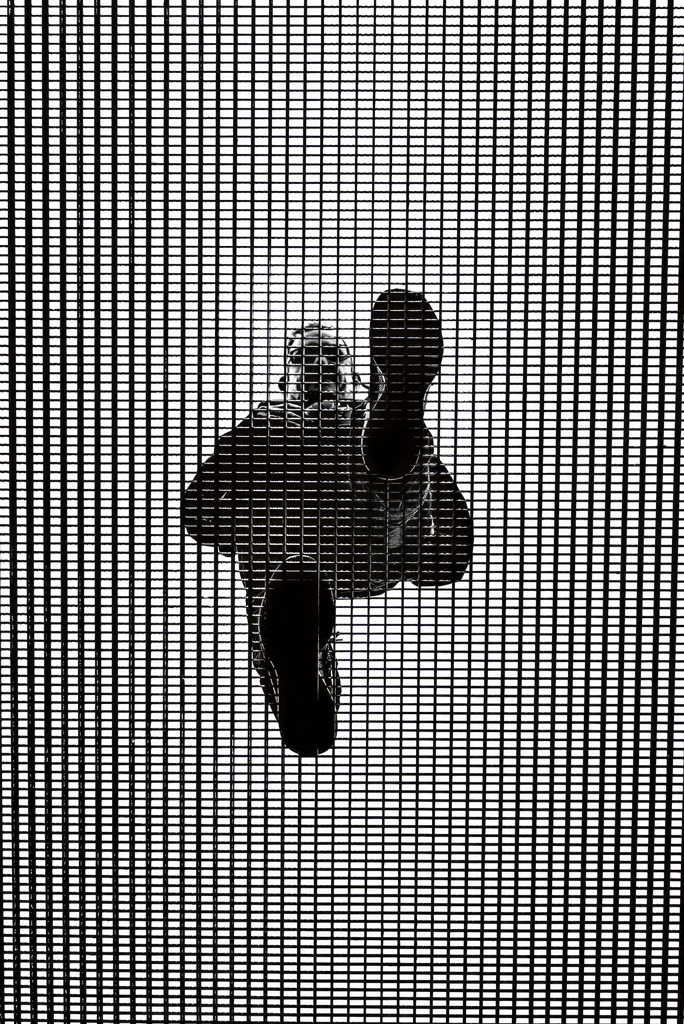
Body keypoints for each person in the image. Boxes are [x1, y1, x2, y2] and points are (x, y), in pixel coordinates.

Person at [182, 289, 472, 756]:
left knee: (389, 464)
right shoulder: (258, 429)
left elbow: (445, 509)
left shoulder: (294, 424)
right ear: (283, 378)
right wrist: (249, 531)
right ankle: (304, 686)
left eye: (329, 355)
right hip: (300, 563)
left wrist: (439, 561)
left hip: (367, 539)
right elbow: (199, 507)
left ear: (350, 374)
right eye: (303, 356)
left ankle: (394, 403)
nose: (317, 365)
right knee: (290, 601)